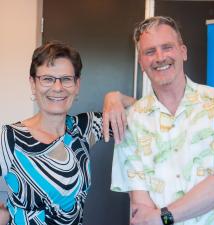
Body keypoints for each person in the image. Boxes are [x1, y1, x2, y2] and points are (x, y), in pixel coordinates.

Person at [0, 41, 135, 225]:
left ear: (77, 85)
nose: (57, 88)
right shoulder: (9, 138)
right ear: (33, 84)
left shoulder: (84, 128)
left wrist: (116, 97)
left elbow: (146, 115)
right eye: (47, 78)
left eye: (66, 79)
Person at [111, 16, 214, 225]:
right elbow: (140, 205)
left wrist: (163, 217)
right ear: (141, 62)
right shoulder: (132, 121)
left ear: (183, 52)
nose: (160, 57)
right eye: (150, 51)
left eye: (167, 47)